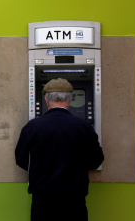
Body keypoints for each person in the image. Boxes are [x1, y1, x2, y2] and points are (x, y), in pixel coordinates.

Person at [15, 78, 104, 221]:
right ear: (70, 99)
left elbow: (21, 159)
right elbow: (96, 160)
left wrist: (40, 169)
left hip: (42, 200)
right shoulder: (84, 127)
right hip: (75, 200)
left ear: (46, 99)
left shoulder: (32, 127)